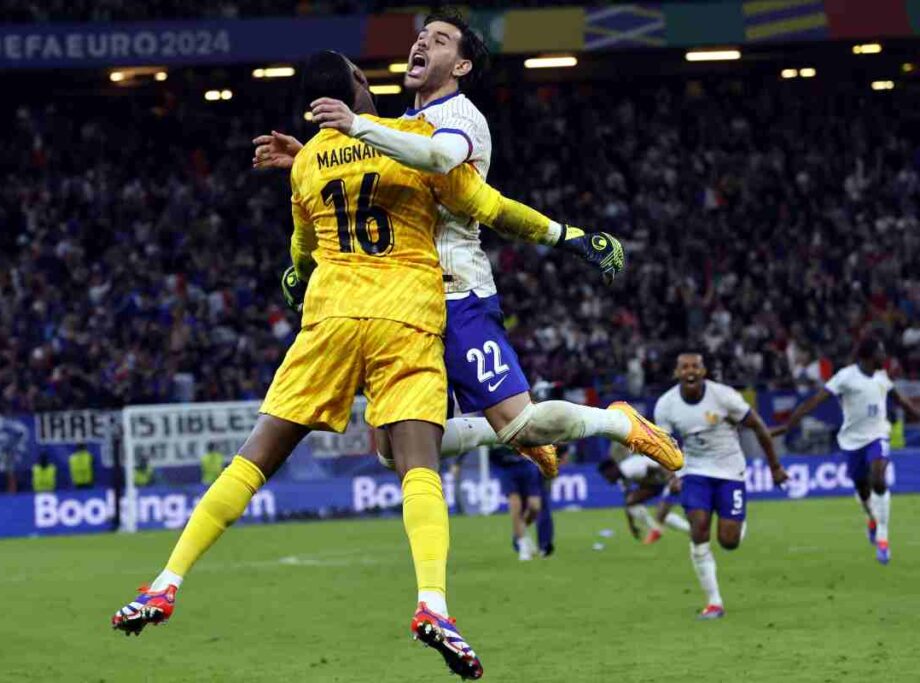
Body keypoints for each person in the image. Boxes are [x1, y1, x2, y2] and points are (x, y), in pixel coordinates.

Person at [112, 50, 631, 681]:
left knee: (254, 458)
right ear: (359, 83)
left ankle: (166, 582)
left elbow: (301, 254)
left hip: (330, 318)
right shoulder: (413, 141)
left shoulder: (307, 162)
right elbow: (491, 207)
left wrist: (296, 272)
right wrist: (570, 237)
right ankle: (433, 604)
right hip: (404, 318)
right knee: (418, 468)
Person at [254, 10, 683, 480]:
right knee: (392, 452)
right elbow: (370, 179)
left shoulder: (460, 117)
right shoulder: (401, 126)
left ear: (461, 66)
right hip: (403, 303)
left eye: (440, 40)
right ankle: (508, 435)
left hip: (455, 291)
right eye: (422, 36)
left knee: (520, 421)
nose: (422, 43)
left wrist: (356, 125)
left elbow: (440, 158)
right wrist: (309, 157)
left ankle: (620, 423)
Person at [654, 352, 788, 620]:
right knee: (699, 527)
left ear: (703, 371)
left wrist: (774, 467)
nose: (690, 371)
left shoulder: (724, 397)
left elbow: (758, 427)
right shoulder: (666, 405)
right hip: (694, 472)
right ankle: (714, 602)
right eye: (684, 367)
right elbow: (660, 446)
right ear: (677, 373)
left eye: (695, 366)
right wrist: (671, 476)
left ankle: (738, 524)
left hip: (729, 471)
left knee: (729, 541)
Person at [772, 337, 920, 565]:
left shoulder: (882, 377)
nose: (884, 356)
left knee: (879, 479)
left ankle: (883, 539)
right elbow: (815, 401)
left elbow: (902, 401)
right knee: (863, 490)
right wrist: (789, 425)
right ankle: (871, 518)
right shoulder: (846, 377)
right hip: (852, 441)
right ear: (868, 356)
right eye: (880, 352)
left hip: (878, 435)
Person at [597, 444, 689, 545]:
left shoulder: (629, 468)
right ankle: (655, 529)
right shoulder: (623, 479)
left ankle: (690, 530)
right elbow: (627, 503)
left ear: (612, 469)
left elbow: (658, 467)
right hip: (657, 484)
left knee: (662, 514)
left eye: (606, 475)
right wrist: (631, 526)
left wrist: (672, 480)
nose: (607, 479)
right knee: (631, 502)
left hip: (670, 476)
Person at [491, 445, 543, 560]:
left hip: (527, 464)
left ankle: (520, 531)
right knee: (516, 507)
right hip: (507, 468)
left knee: (535, 507)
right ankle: (523, 546)